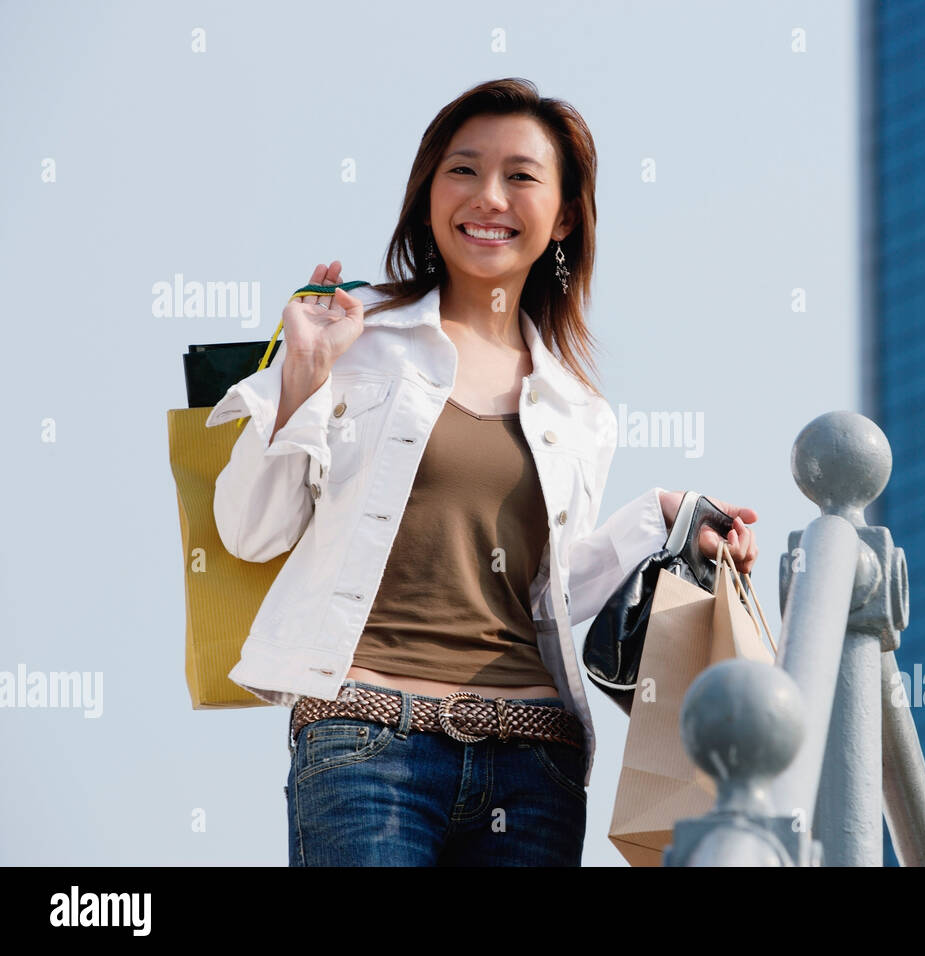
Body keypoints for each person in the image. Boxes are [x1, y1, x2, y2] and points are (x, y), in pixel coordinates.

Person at [208, 77, 758, 866]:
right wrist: (302, 370)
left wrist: (664, 520)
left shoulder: (579, 411)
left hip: (533, 760)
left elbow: (548, 596)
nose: (488, 196)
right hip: (366, 741)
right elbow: (250, 532)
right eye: (462, 170)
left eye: (522, 176)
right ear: (428, 192)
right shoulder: (350, 338)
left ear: (564, 213)